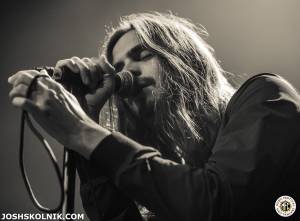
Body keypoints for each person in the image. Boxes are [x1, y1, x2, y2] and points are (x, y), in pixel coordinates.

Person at [8, 12, 300, 221]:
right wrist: (87, 125)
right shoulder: (176, 174)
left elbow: (217, 205)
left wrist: (83, 131)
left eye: (143, 54)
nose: (126, 72)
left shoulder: (265, 94)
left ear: (185, 59)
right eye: (119, 64)